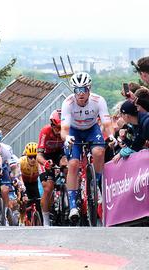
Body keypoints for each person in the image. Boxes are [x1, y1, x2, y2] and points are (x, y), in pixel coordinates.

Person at [61, 72, 115, 222]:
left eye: (84, 89)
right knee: (73, 164)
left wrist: (111, 136)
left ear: (89, 89)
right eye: (77, 90)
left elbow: (107, 124)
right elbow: (63, 130)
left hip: (92, 129)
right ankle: (73, 205)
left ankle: (95, 183)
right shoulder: (67, 103)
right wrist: (67, 138)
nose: (81, 94)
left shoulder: (99, 101)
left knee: (99, 151)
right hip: (74, 132)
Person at [36, 109, 66, 226]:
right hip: (46, 157)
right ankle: (46, 219)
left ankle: (69, 195)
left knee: (66, 165)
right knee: (48, 188)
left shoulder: (66, 131)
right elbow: (39, 155)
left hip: (59, 154)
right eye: (57, 128)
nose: (59, 132)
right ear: (52, 125)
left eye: (62, 128)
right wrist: (45, 163)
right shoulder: (45, 131)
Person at [19, 142, 42, 224]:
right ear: (26, 156)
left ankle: (40, 222)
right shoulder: (21, 162)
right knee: (24, 202)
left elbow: (42, 174)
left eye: (35, 157)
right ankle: (22, 219)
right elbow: (18, 176)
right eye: (30, 157)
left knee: (38, 203)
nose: (33, 159)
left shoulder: (38, 162)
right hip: (23, 183)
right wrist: (22, 191)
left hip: (34, 183)